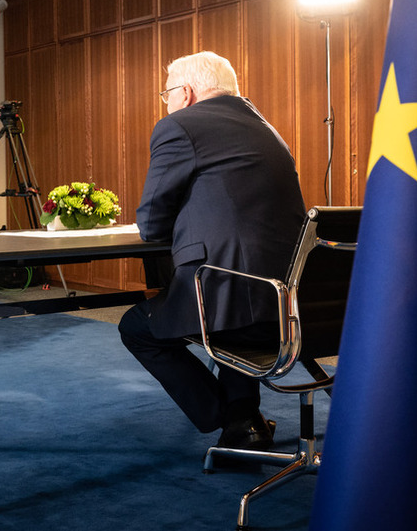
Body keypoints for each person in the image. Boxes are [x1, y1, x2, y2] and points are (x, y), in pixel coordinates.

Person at [118, 51, 305, 453]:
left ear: (184, 92)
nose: (165, 101)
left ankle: (230, 417)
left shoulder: (178, 125)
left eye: (165, 93)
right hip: (287, 303)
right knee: (227, 306)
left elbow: (151, 221)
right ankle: (244, 417)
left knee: (137, 328)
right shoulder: (268, 129)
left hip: (229, 300)